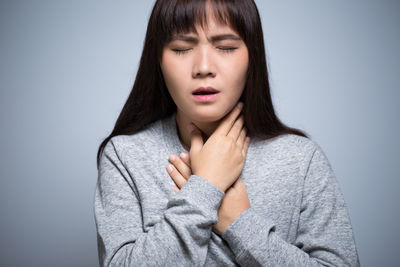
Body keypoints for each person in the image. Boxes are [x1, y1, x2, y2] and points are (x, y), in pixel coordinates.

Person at [94, 0, 360, 266]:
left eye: (226, 47)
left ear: (251, 57)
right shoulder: (124, 156)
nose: (204, 67)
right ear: (158, 61)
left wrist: (240, 223)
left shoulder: (301, 159)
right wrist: (206, 186)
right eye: (181, 48)